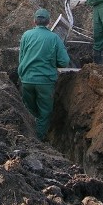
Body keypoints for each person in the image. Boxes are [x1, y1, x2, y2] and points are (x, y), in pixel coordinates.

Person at [18, 8, 70, 141]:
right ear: (49, 22)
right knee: (45, 113)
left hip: (26, 80)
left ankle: (29, 135)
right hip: (45, 82)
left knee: (29, 110)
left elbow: (21, 57)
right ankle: (38, 140)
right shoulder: (54, 38)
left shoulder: (26, 35)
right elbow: (64, 62)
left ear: (34, 21)